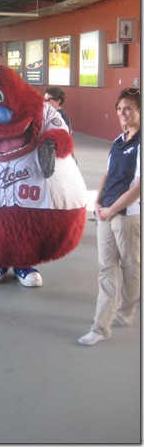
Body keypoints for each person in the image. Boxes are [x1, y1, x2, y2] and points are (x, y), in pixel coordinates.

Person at [78, 88, 140, 346]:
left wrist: (112, 209)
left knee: (130, 267)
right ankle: (100, 327)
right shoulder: (118, 141)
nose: (122, 113)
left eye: (129, 108)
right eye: (119, 108)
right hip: (105, 212)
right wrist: (97, 201)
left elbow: (138, 187)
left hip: (127, 215)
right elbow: (107, 174)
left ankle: (125, 312)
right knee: (106, 268)